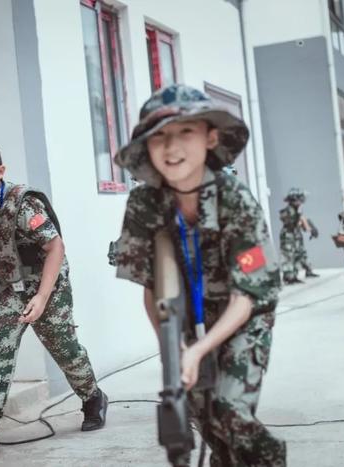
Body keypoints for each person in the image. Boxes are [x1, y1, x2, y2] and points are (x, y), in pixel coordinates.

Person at [113, 85, 286, 466]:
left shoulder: (235, 199)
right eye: (159, 135)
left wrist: (199, 350)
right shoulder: (144, 203)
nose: (171, 147)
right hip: (184, 317)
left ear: (210, 137)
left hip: (244, 312)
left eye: (185, 132)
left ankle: (269, 459)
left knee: (229, 410)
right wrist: (173, 351)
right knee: (203, 416)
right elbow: (150, 288)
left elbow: (247, 296)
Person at [0, 140, 107, 460]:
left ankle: (93, 396)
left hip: (48, 282)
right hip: (11, 284)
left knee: (63, 346)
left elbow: (55, 247)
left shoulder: (25, 205)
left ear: (0, 171)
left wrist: (43, 296)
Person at [279, 188, 319, 284]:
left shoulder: (297, 210)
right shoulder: (288, 211)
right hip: (288, 235)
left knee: (300, 253)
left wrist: (310, 228)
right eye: (299, 199)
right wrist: (303, 223)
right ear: (294, 199)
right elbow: (292, 222)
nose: (301, 201)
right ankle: (289, 276)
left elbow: (302, 221)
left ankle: (304, 271)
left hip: (296, 234)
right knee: (289, 255)